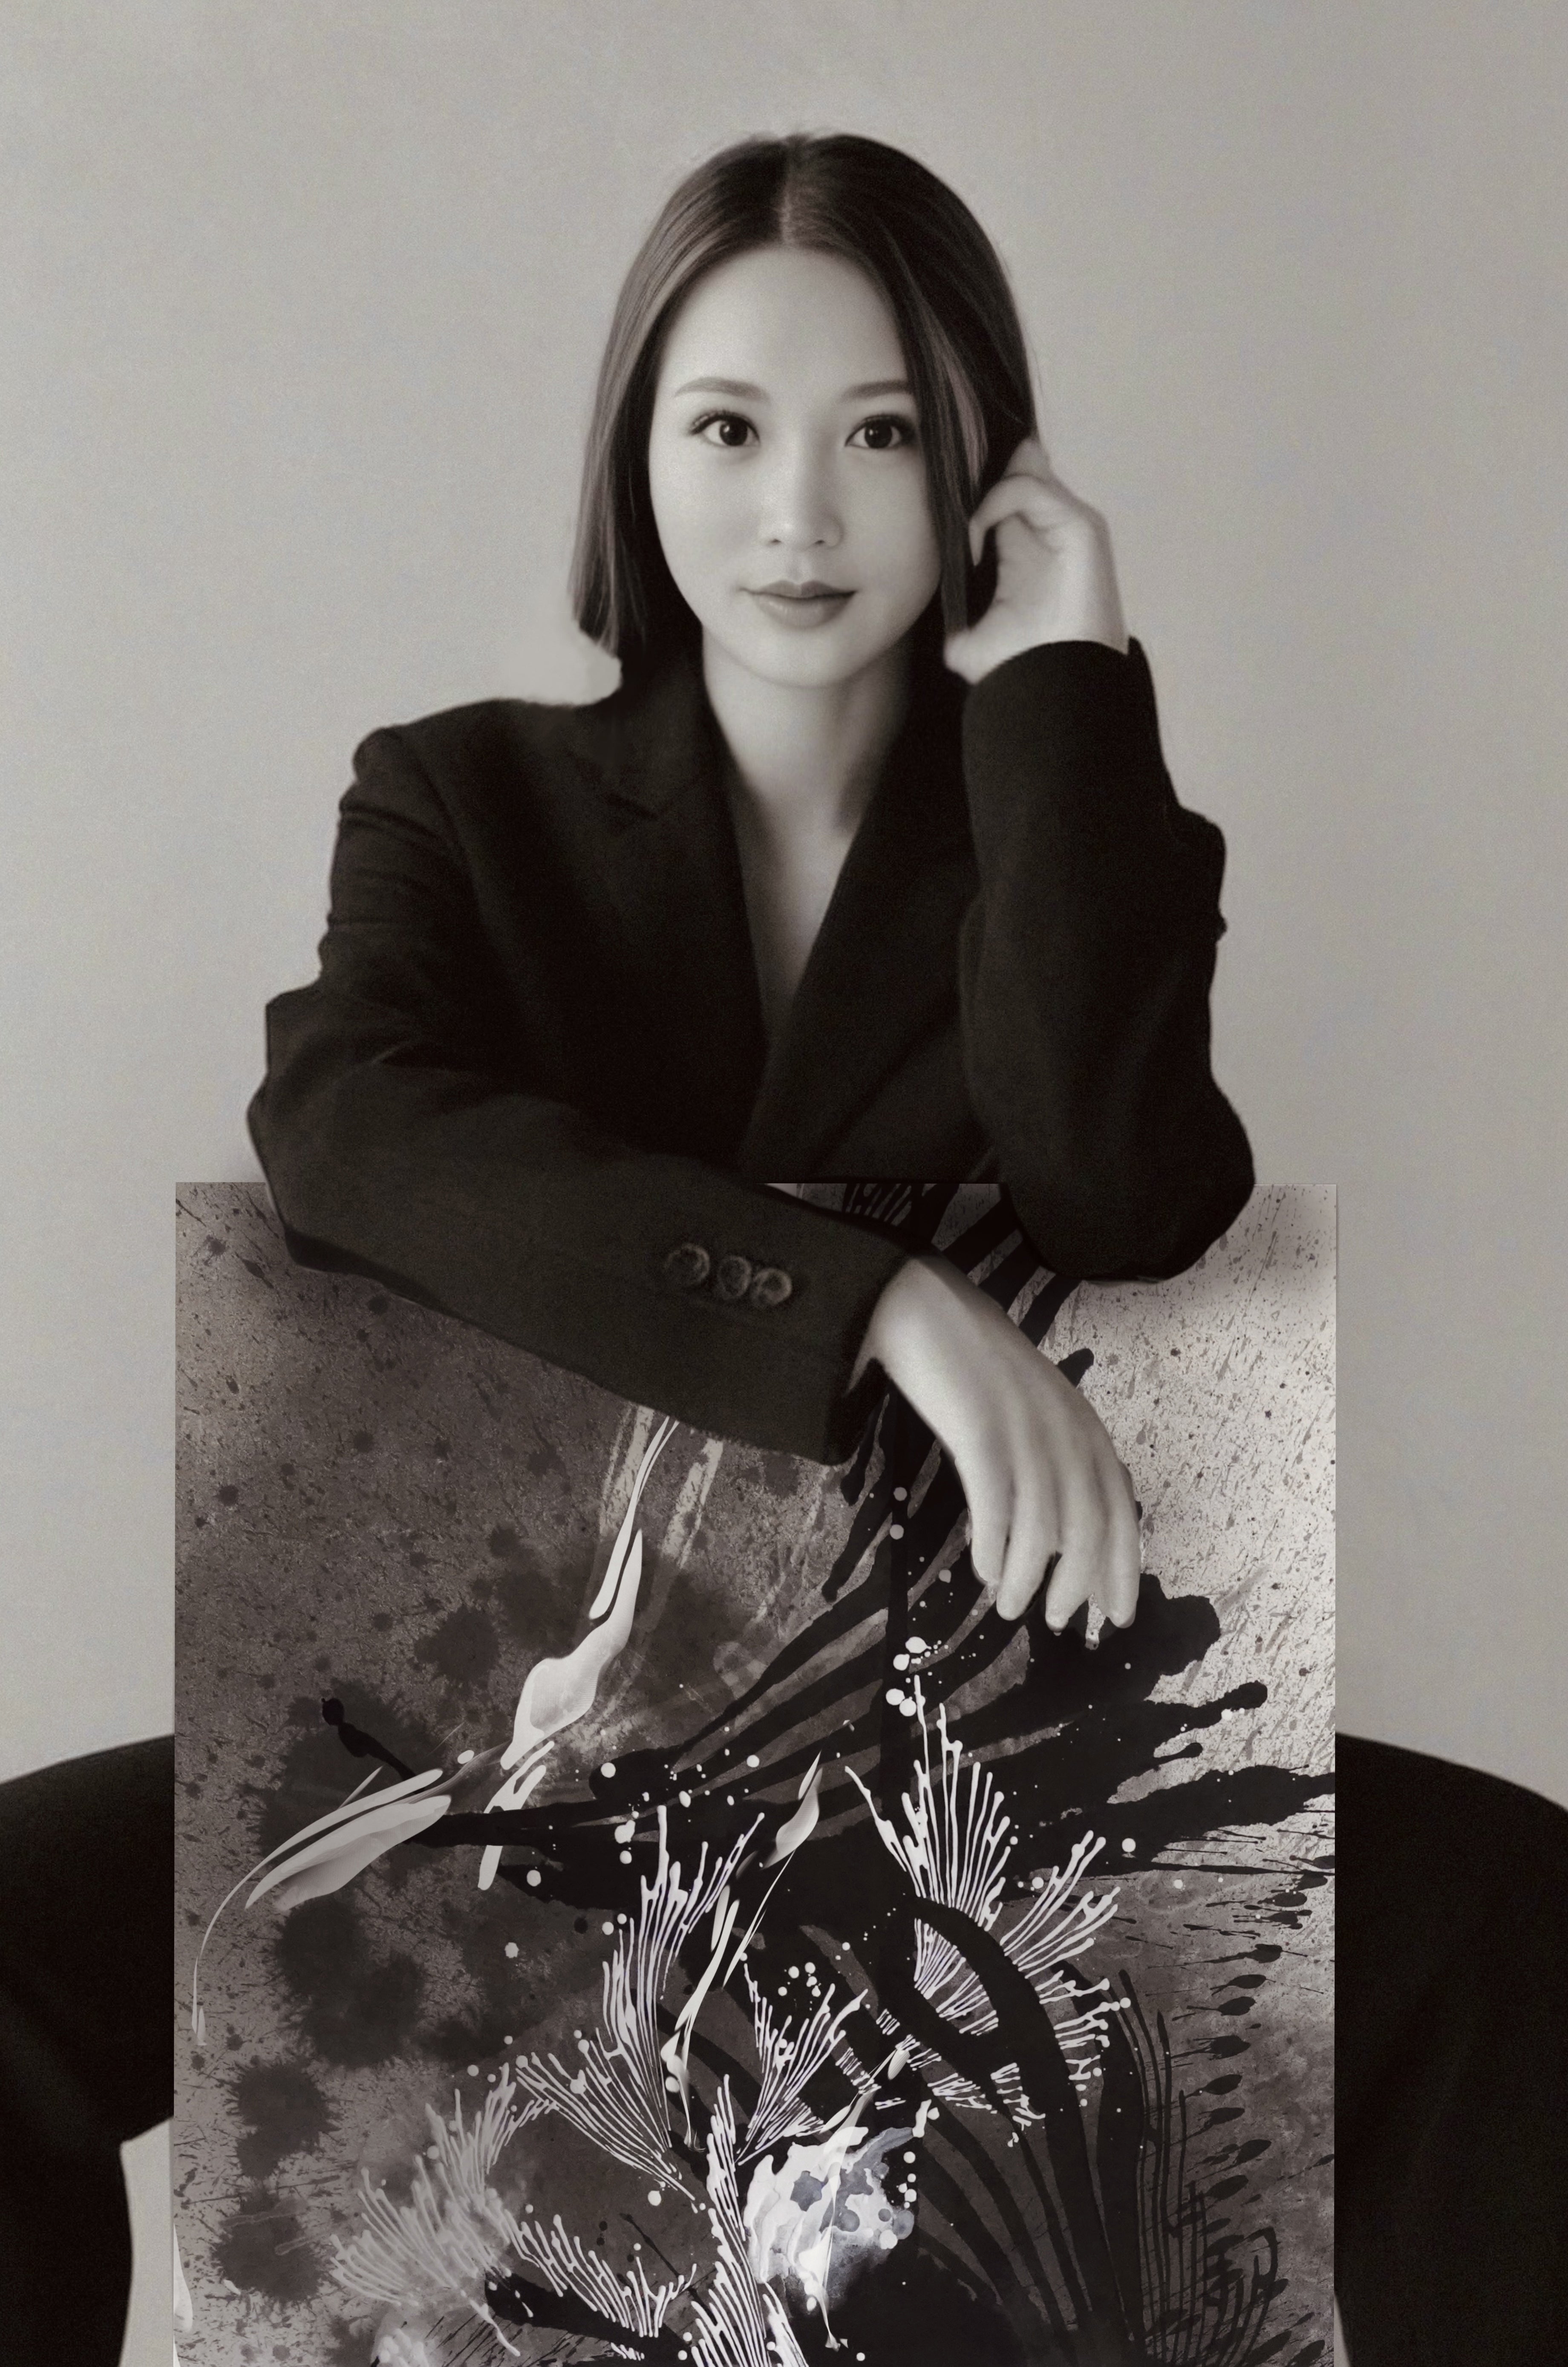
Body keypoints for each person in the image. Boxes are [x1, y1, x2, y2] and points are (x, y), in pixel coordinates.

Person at [248, 130, 1254, 1640]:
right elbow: (340, 1136)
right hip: (493, 1674)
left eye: (885, 433)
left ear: (986, 465)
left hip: (985, 1679)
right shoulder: (459, 797)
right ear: (636, 450)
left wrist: (1061, 692)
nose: (802, 516)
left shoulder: (1075, 828)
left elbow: (1125, 1211)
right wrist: (877, 1300)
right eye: (728, 427)